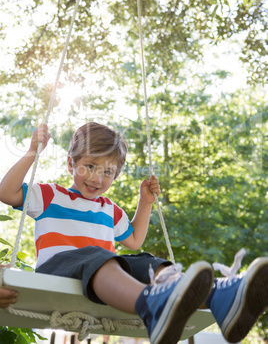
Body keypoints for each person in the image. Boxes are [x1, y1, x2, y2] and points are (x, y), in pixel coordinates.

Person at [0, 122, 267, 344]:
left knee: (145, 261)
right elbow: (7, 193)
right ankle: (152, 306)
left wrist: (145, 202)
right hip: (59, 272)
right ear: (71, 164)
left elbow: (134, 239)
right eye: (90, 166)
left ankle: (220, 298)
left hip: (100, 275)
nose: (97, 178)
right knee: (98, 256)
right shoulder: (50, 196)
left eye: (108, 172)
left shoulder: (110, 209)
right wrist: (31, 153)